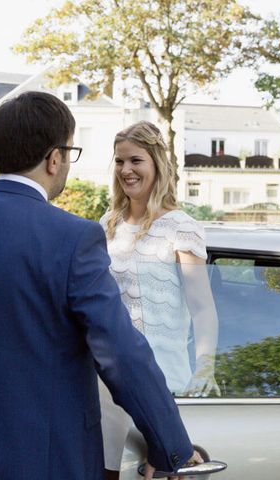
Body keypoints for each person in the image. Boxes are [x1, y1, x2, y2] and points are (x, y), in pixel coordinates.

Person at [0, 92, 201, 480]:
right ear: (55, 158)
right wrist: (169, 445)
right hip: (42, 460)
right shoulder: (74, 238)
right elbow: (120, 353)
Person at [99, 121, 220, 479]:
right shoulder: (107, 224)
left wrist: (206, 366)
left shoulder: (181, 227)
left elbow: (202, 308)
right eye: (119, 162)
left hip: (163, 377)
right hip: (109, 382)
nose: (126, 170)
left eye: (135, 160)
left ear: (157, 164)